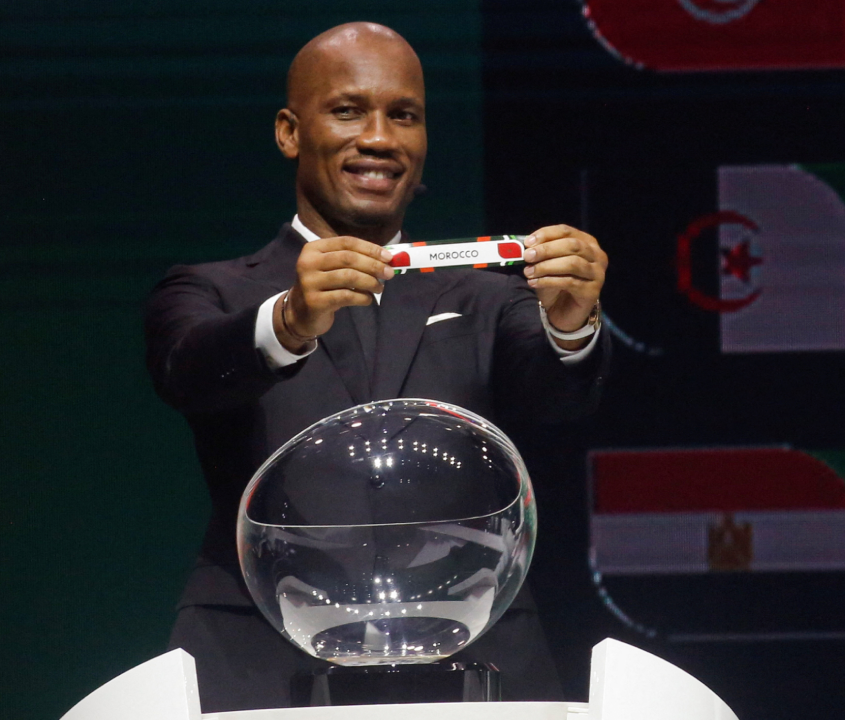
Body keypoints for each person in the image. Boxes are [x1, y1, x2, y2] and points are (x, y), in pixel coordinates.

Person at [145, 22, 609, 712]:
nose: (380, 138)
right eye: (347, 110)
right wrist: (289, 320)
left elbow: (559, 396)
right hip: (256, 660)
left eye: (404, 115)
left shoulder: (488, 297)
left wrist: (571, 323)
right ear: (289, 132)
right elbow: (186, 370)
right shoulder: (214, 290)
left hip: (476, 653)